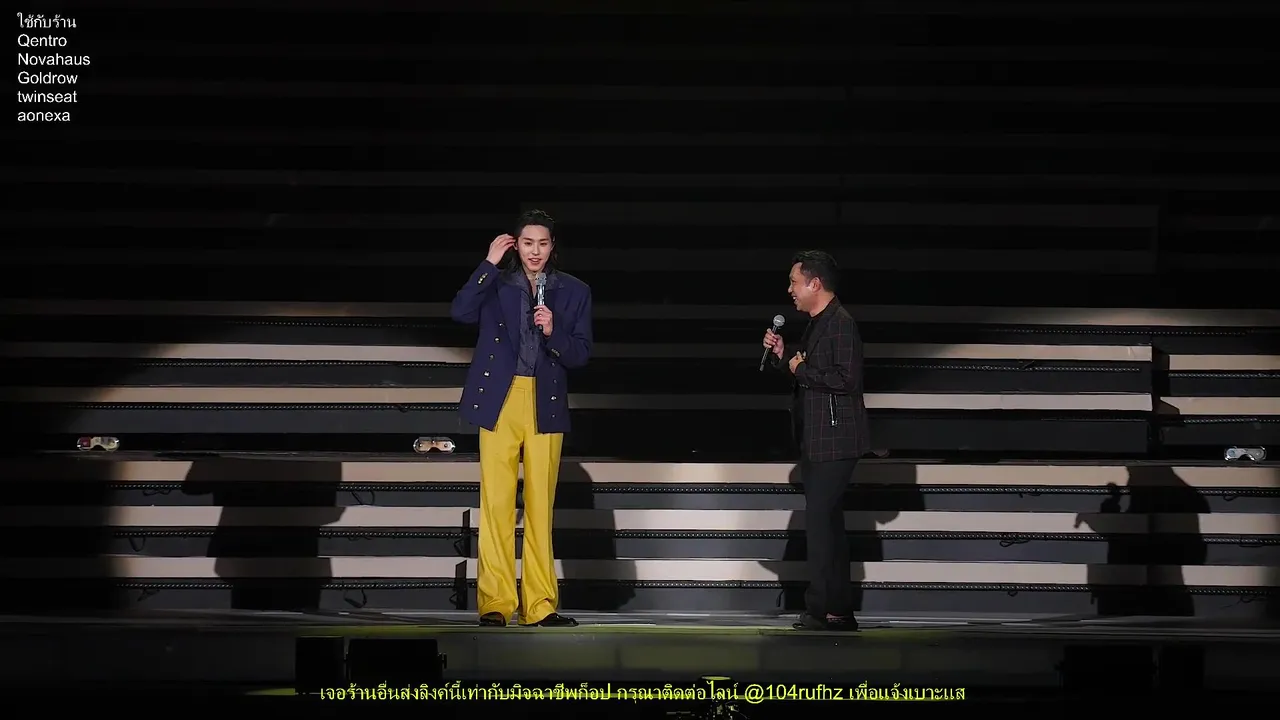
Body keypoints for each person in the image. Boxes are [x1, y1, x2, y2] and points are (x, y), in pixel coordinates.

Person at [450, 209, 593, 627]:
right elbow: (460, 312)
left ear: (553, 246)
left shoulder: (574, 290)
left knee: (539, 506)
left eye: (543, 243)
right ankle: (495, 602)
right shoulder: (496, 283)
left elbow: (581, 352)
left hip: (545, 401)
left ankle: (540, 605)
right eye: (528, 243)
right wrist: (488, 263)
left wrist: (554, 332)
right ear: (516, 244)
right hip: (500, 397)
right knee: (495, 503)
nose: (535, 251)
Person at [762, 250, 870, 631]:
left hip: (835, 440)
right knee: (828, 526)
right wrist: (784, 358)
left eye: (794, 282)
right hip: (820, 438)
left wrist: (801, 369)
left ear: (815, 283)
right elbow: (810, 374)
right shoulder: (819, 323)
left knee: (822, 527)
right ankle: (836, 608)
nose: (790, 290)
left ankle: (824, 608)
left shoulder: (840, 324)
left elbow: (846, 380)